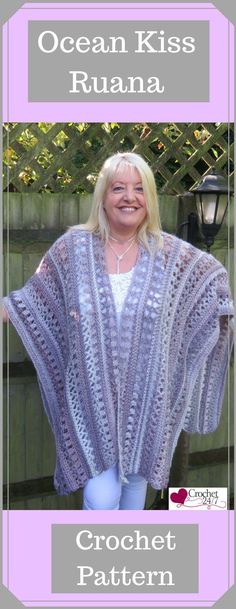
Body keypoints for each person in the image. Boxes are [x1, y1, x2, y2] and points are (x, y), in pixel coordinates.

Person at [2, 152, 234, 510]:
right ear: (103, 198)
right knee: (101, 495)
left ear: (150, 199)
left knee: (135, 493)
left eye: (140, 188)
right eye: (119, 188)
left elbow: (212, 284)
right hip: (91, 402)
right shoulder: (72, 249)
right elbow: (32, 301)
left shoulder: (171, 256)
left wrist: (222, 310)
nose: (130, 196)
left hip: (148, 406)